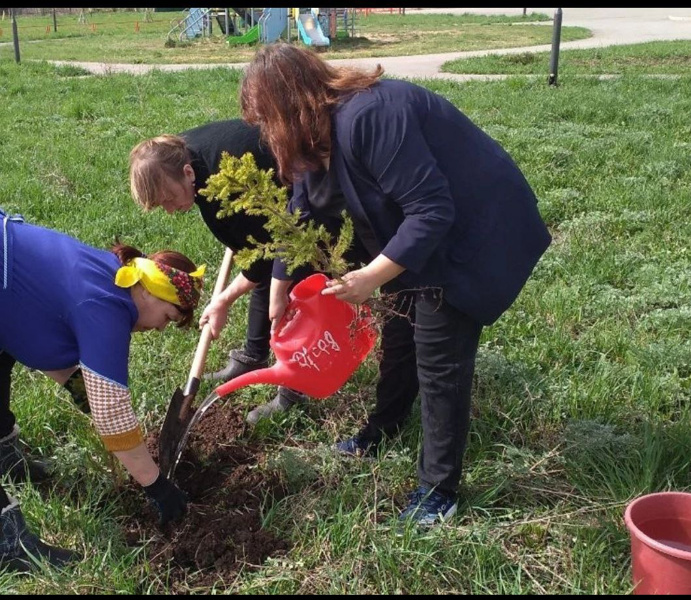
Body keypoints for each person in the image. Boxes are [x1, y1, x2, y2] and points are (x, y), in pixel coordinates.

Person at [239, 43, 552, 528]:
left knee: (439, 360)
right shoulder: (317, 141)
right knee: (401, 334)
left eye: (265, 118)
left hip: (472, 230)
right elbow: (300, 209)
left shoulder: (369, 116)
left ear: (290, 104)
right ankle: (380, 430)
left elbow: (433, 210)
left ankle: (438, 491)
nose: (264, 132)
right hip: (416, 236)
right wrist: (279, 282)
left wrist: (369, 277)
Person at [128, 120, 419, 430]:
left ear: (188, 172)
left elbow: (268, 256)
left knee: (299, 292)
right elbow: (253, 249)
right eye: (163, 206)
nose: (171, 209)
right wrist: (234, 292)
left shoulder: (221, 171)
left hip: (321, 205)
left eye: (170, 198)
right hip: (280, 203)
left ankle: (293, 390)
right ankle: (253, 355)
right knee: (270, 275)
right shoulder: (176, 157)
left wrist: (226, 298)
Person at [0, 208, 205, 570]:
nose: (159, 329)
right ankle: (8, 547)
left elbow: (45, 338)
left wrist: (92, 398)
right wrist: (155, 485)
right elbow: (112, 415)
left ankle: (4, 457)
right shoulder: (107, 304)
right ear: (150, 293)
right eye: (168, 319)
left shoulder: (105, 276)